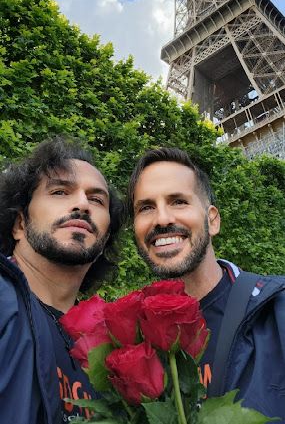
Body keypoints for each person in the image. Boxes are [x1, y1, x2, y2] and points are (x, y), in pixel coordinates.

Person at [127, 146, 285, 421]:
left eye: (178, 201)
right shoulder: (132, 336)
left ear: (212, 220)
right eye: (146, 207)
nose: (162, 219)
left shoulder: (277, 312)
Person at [0, 136, 123, 424]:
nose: (82, 204)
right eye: (59, 192)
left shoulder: (111, 345)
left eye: (96, 199)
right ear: (19, 224)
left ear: (104, 240)